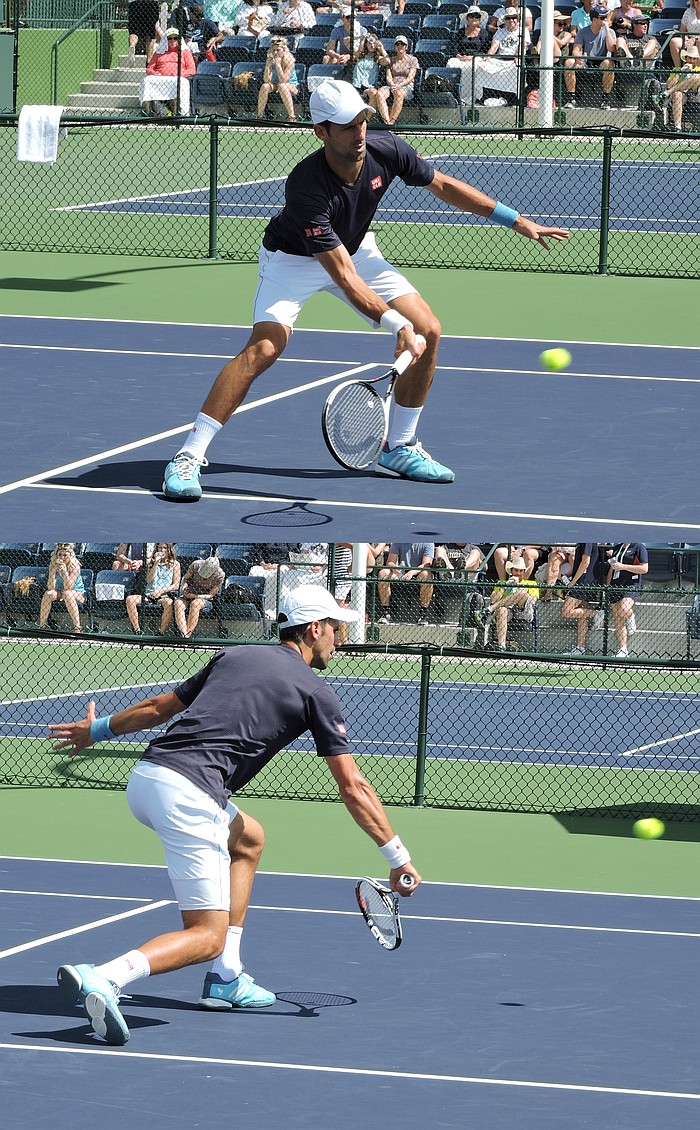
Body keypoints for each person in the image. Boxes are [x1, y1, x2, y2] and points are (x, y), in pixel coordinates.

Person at [49, 585, 421, 1046]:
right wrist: (397, 856)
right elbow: (353, 787)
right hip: (189, 796)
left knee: (248, 839)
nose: (340, 638)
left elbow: (158, 708)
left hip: (147, 778)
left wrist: (98, 730)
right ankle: (105, 976)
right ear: (313, 628)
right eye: (336, 627)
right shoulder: (316, 691)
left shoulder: (236, 655)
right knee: (207, 935)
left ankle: (226, 978)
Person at [161, 80, 568, 501]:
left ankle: (400, 447)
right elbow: (343, 276)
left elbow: (442, 185)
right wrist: (394, 324)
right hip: (293, 261)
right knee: (264, 348)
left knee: (428, 329)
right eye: (345, 127)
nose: (358, 134)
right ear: (320, 132)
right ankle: (188, 456)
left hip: (356, 250)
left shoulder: (386, 149)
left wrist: (513, 219)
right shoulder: (306, 185)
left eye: (361, 122)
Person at [470, 8, 531, 106]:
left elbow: (522, 46)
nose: (511, 20)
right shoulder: (500, 32)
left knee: (517, 69)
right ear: (505, 20)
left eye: (514, 18)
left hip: (513, 59)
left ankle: (516, 99)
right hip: (500, 59)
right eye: (509, 18)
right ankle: (482, 96)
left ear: (518, 19)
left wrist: (518, 57)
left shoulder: (523, 31)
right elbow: (494, 46)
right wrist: (488, 57)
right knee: (481, 66)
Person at [563, 5, 617, 109]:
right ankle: (571, 99)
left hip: (601, 61)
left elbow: (611, 48)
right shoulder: (583, 32)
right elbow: (576, 50)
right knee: (569, 62)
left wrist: (606, 28)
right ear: (594, 19)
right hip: (586, 60)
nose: (605, 20)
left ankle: (605, 100)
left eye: (605, 17)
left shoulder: (610, 32)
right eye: (602, 18)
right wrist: (579, 59)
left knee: (609, 63)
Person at [485, 553, 539, 650]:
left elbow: (532, 601)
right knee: (501, 610)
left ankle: (490, 609)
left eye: (520, 571)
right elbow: (493, 600)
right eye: (516, 570)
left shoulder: (531, 583)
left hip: (522, 611)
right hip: (507, 611)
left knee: (522, 593)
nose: (518, 573)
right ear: (511, 570)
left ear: (524, 571)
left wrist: (518, 587)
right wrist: (505, 586)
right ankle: (501, 645)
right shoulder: (502, 583)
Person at [603, 541, 648, 657]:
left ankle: (630, 615)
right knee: (618, 618)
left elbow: (644, 568)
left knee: (624, 609)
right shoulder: (618, 547)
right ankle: (623, 649)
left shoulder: (638, 547)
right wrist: (608, 586)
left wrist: (623, 567)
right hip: (616, 584)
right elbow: (612, 568)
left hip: (630, 583)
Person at [125, 543, 181, 635]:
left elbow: (176, 585)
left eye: (165, 548)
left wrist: (161, 591)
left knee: (169, 603)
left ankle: (161, 632)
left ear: (169, 549)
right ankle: (137, 630)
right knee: (130, 599)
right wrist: (155, 563)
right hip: (149, 594)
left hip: (164, 595)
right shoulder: (151, 562)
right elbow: (148, 580)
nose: (162, 550)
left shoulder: (175, 564)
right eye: (160, 548)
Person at [376, 542, 435, 625]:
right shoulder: (398, 541)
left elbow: (426, 564)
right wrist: (394, 567)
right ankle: (385, 612)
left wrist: (412, 572)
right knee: (383, 573)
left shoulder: (428, 543)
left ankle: (423, 614)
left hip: (418, 573)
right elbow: (390, 561)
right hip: (401, 572)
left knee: (427, 575)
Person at [560, 542, 603, 655]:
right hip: (584, 581)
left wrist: (573, 582)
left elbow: (585, 562)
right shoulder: (582, 541)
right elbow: (581, 563)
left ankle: (596, 613)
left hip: (583, 582)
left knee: (566, 610)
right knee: (581, 613)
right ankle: (581, 647)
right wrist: (570, 575)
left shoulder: (587, 539)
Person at [142, 28, 196, 116]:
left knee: (180, 83)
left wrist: (179, 74)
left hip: (177, 78)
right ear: (165, 40)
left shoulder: (185, 52)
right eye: (170, 38)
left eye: (175, 38)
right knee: (147, 81)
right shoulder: (159, 52)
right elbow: (149, 69)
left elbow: (192, 70)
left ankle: (176, 114)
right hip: (160, 79)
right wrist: (155, 74)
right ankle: (148, 112)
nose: (173, 41)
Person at [369, 36, 419, 124]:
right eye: (397, 44)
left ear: (406, 46)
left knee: (399, 93)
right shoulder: (391, 60)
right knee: (379, 93)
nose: (400, 46)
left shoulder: (412, 60)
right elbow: (388, 76)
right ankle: (387, 121)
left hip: (406, 87)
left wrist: (399, 86)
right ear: (395, 46)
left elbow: (410, 77)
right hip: (391, 85)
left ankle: (392, 121)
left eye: (402, 44)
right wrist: (392, 85)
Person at [173, 555, 225, 638]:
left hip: (204, 598)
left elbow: (211, 595)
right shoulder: (195, 565)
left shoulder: (220, 575)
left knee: (195, 604)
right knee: (178, 603)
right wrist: (184, 586)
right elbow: (186, 578)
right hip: (188, 594)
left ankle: (187, 635)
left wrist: (196, 596)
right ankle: (184, 634)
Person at [38, 544, 86, 632]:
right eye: (60, 555)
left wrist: (64, 572)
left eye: (65, 555)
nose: (62, 558)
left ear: (70, 556)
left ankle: (77, 627)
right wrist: (53, 571)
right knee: (48, 593)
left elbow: (68, 587)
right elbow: (50, 587)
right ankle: (42, 626)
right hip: (59, 591)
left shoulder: (75, 566)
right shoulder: (53, 564)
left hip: (76, 592)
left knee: (67, 593)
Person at [257, 36, 300, 121]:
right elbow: (266, 80)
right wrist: (268, 66)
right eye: (274, 50)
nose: (275, 53)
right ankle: (260, 116)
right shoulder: (270, 58)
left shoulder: (289, 59)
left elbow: (283, 80)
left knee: (282, 86)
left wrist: (278, 65)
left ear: (284, 50)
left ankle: (292, 116)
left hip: (291, 86)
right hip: (275, 84)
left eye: (278, 50)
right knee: (265, 86)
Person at [665, 43, 700, 131]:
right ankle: (677, 127)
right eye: (689, 58)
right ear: (686, 58)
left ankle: (666, 94)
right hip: (681, 94)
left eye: (694, 58)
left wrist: (691, 71)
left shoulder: (698, 69)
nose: (691, 60)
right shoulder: (677, 69)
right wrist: (680, 72)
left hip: (694, 93)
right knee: (677, 94)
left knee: (695, 76)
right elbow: (669, 85)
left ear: (697, 60)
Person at [352, 33, 392, 101]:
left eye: (374, 43)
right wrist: (362, 37)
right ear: (366, 44)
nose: (372, 45)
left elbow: (387, 61)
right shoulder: (359, 56)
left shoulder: (377, 58)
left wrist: (382, 48)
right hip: (357, 85)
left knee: (373, 93)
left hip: (370, 86)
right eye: (370, 43)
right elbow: (346, 40)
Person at [669, 0, 700, 70]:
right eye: (696, 0)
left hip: (698, 40)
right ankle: (678, 70)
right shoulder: (688, 12)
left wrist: (695, 40)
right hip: (689, 39)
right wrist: (686, 39)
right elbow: (682, 29)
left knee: (699, 41)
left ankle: (697, 70)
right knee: (674, 42)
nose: (699, 1)